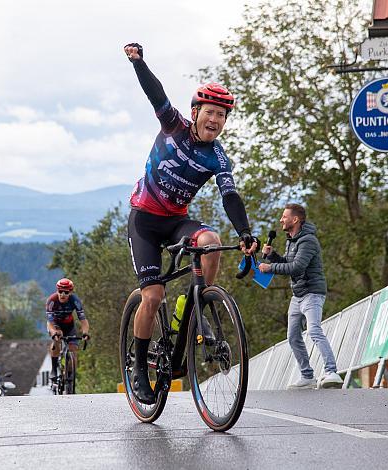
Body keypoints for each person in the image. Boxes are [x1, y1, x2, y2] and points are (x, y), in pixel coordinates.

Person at [123, 42, 258, 404]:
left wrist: (245, 233)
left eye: (222, 116)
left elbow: (230, 197)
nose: (215, 120)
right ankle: (138, 366)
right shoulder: (174, 125)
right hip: (145, 222)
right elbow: (157, 94)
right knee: (152, 295)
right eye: (210, 112)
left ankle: (194, 306)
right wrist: (139, 63)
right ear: (196, 112)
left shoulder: (218, 157)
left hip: (177, 221)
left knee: (212, 241)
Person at [258, 203, 343, 389]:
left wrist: (270, 267)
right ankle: (307, 377)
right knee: (293, 336)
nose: (281, 220)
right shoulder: (292, 240)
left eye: (284, 216)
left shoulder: (308, 241)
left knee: (314, 330)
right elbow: (289, 264)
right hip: (297, 295)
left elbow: (297, 267)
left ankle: (331, 372)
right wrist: (272, 256)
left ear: (295, 219)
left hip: (312, 293)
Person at [46, 278, 90, 381]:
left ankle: (70, 374)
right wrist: (54, 333)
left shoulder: (75, 300)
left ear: (70, 292)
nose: (62, 294)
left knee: (73, 349)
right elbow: (50, 322)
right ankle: (54, 369)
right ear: (57, 291)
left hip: (69, 325)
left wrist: (85, 333)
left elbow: (83, 320)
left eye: (66, 292)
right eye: (60, 291)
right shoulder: (52, 301)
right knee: (57, 337)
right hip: (55, 324)